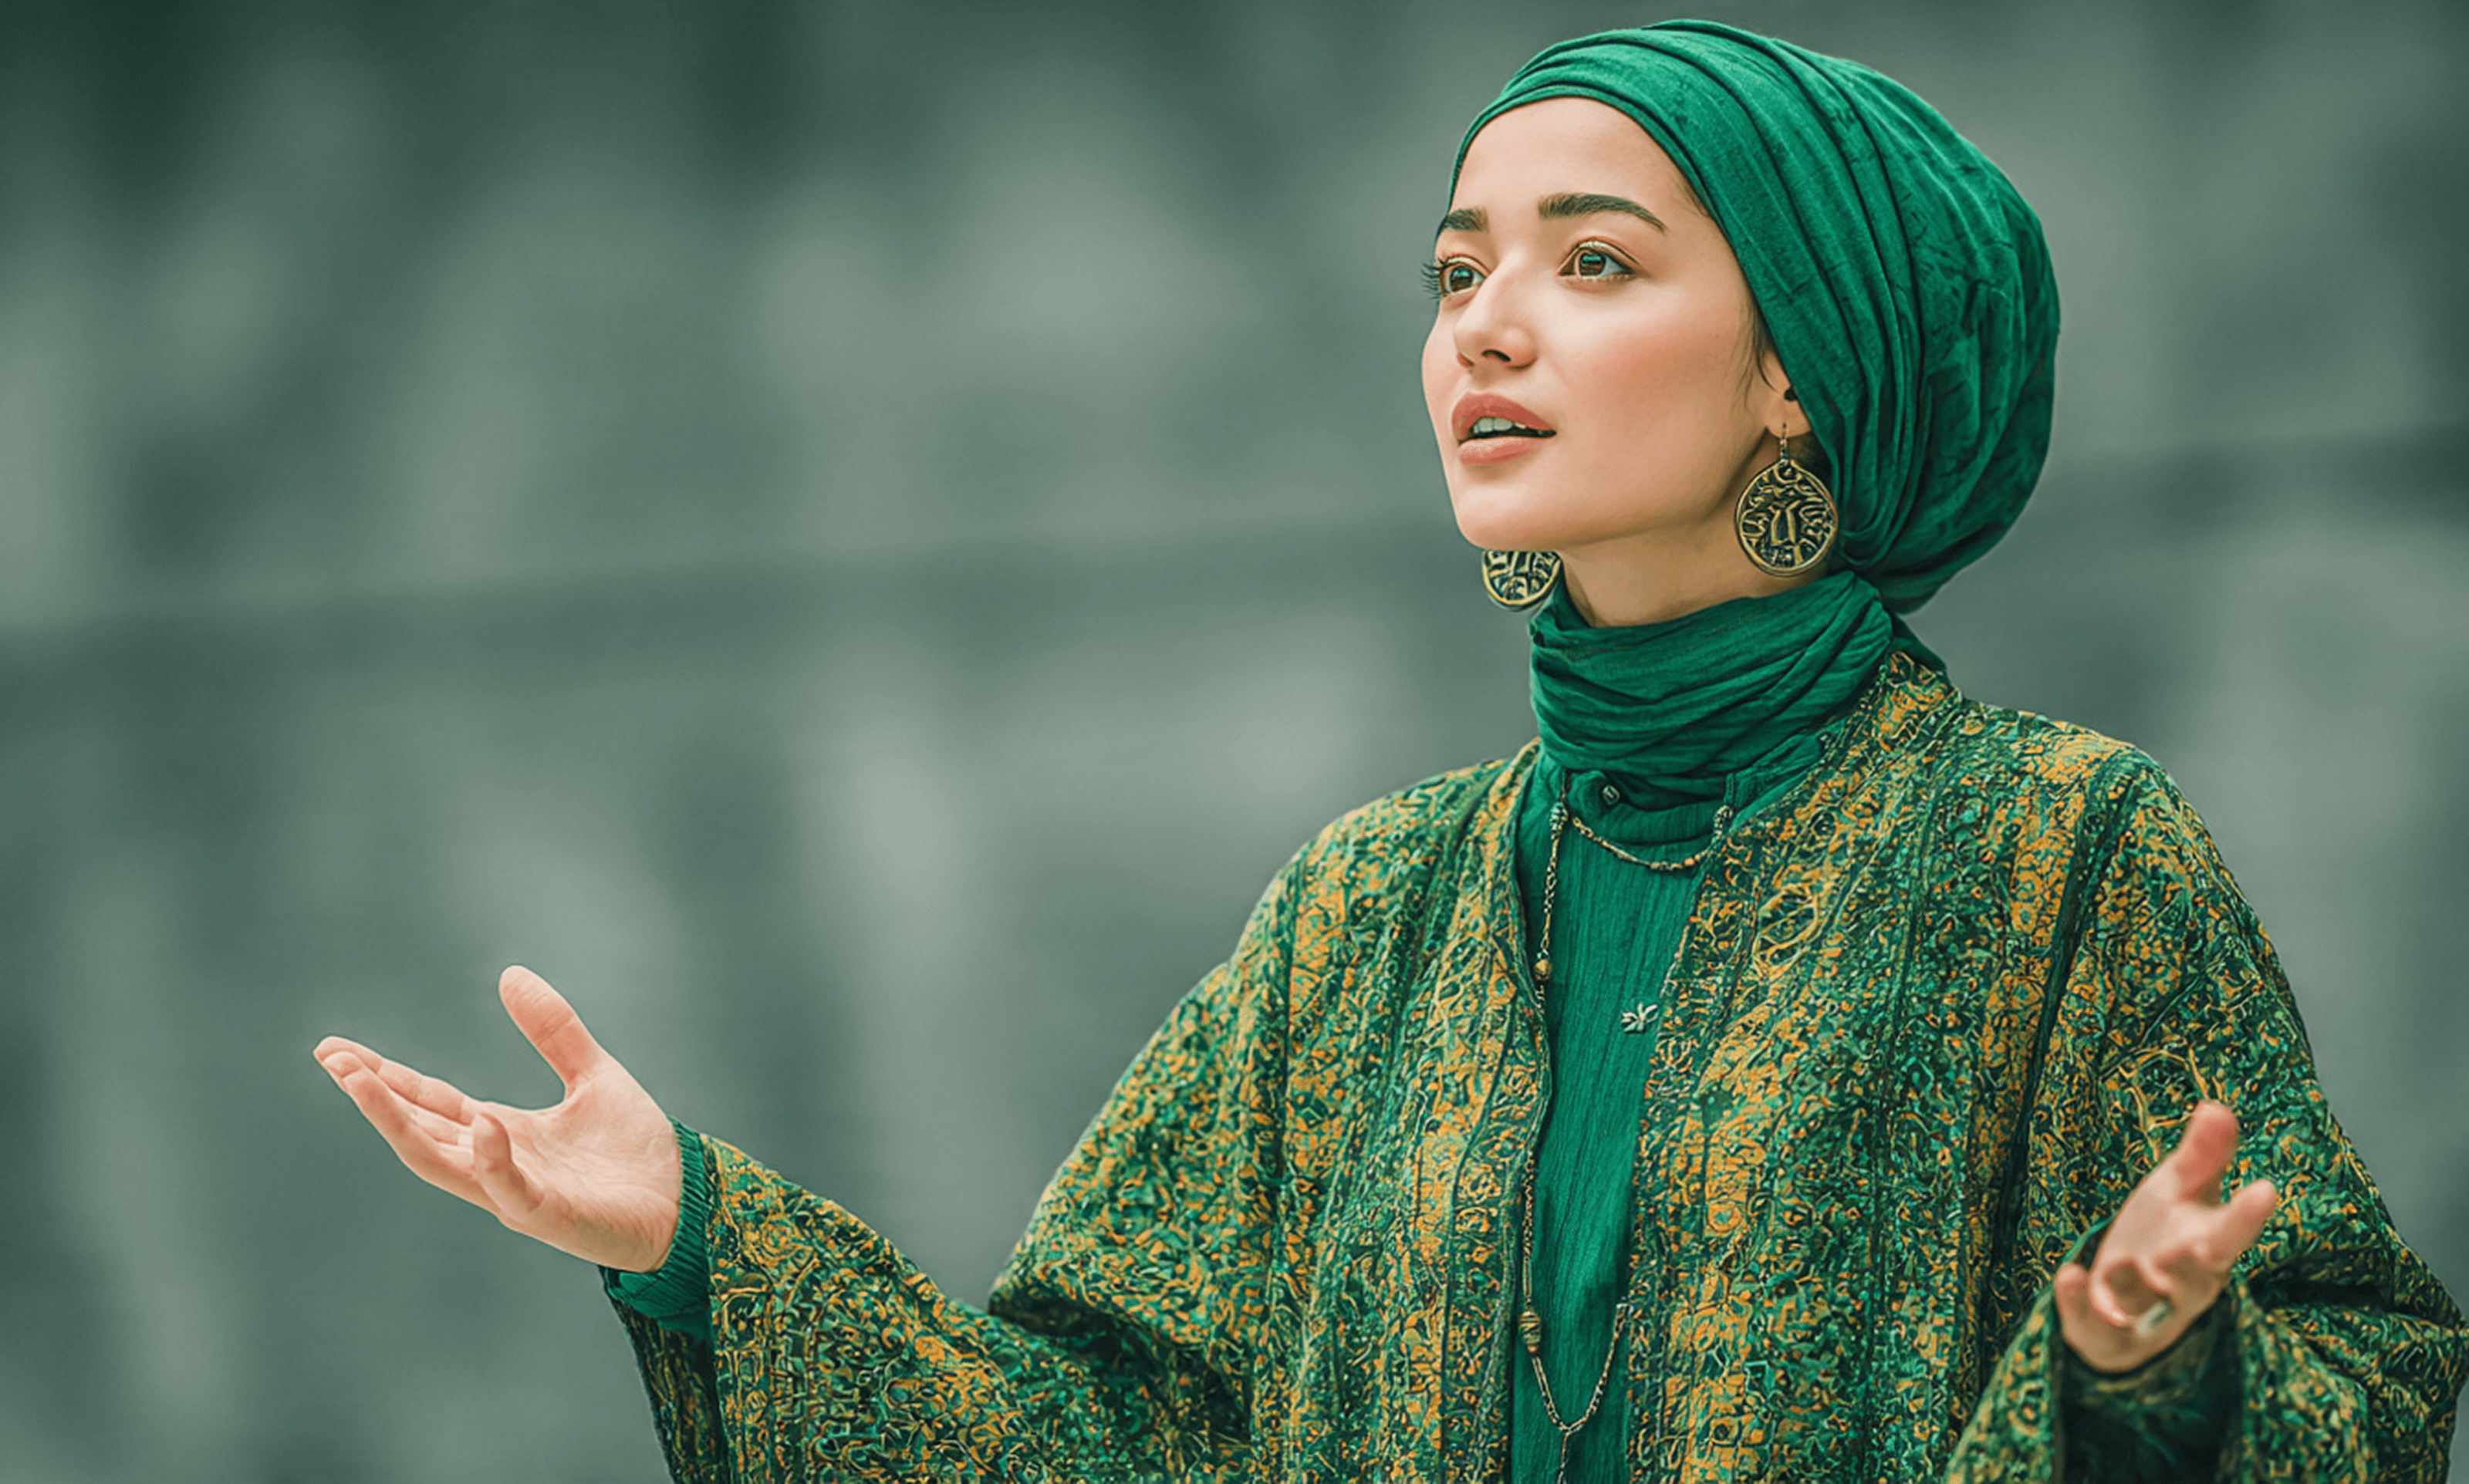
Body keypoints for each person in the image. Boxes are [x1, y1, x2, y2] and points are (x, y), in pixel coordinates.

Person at [313, 21, 2467, 1482]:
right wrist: (695, 1228)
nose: (1485, 328)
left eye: (1593, 263)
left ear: (1799, 370)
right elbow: (1100, 1432)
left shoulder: (2055, 848)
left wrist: (2148, 1375)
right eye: (1457, 271)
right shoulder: (1371, 906)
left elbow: (2365, 1365)